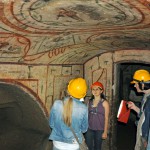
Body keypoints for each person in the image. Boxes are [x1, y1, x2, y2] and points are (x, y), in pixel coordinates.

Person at [49, 77, 88, 150]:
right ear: (83, 94)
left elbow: (51, 124)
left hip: (58, 144)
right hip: (74, 145)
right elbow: (84, 129)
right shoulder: (83, 108)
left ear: (68, 90)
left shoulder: (56, 104)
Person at [127, 69, 150, 150]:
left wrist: (146, 139)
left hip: (145, 137)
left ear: (142, 84)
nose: (134, 86)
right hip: (141, 133)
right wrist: (134, 107)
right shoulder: (146, 96)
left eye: (136, 84)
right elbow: (143, 114)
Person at [85, 81, 110, 150]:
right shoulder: (89, 102)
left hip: (100, 129)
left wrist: (105, 132)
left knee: (97, 147)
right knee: (88, 147)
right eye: (93, 89)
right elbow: (87, 115)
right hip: (89, 128)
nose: (95, 91)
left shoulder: (104, 103)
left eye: (97, 89)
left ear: (101, 91)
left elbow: (106, 118)